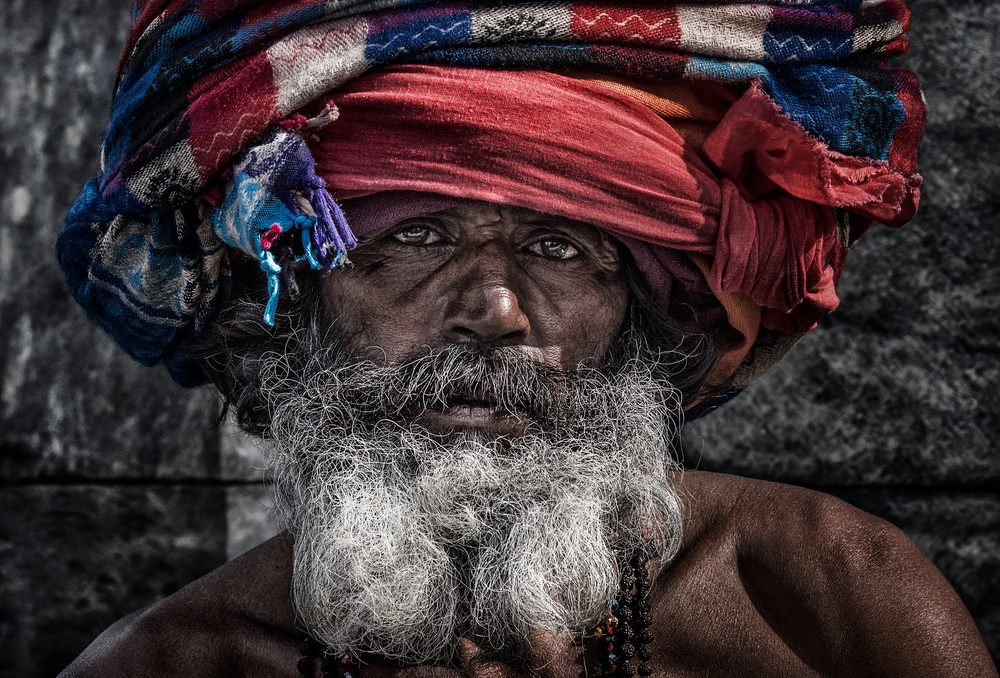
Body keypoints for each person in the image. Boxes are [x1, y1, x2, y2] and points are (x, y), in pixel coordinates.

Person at [55, 1, 996, 676]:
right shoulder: (168, 661)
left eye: (560, 246)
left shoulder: (831, 602)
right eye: (415, 236)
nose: (495, 312)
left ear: (638, 304)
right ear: (298, 292)